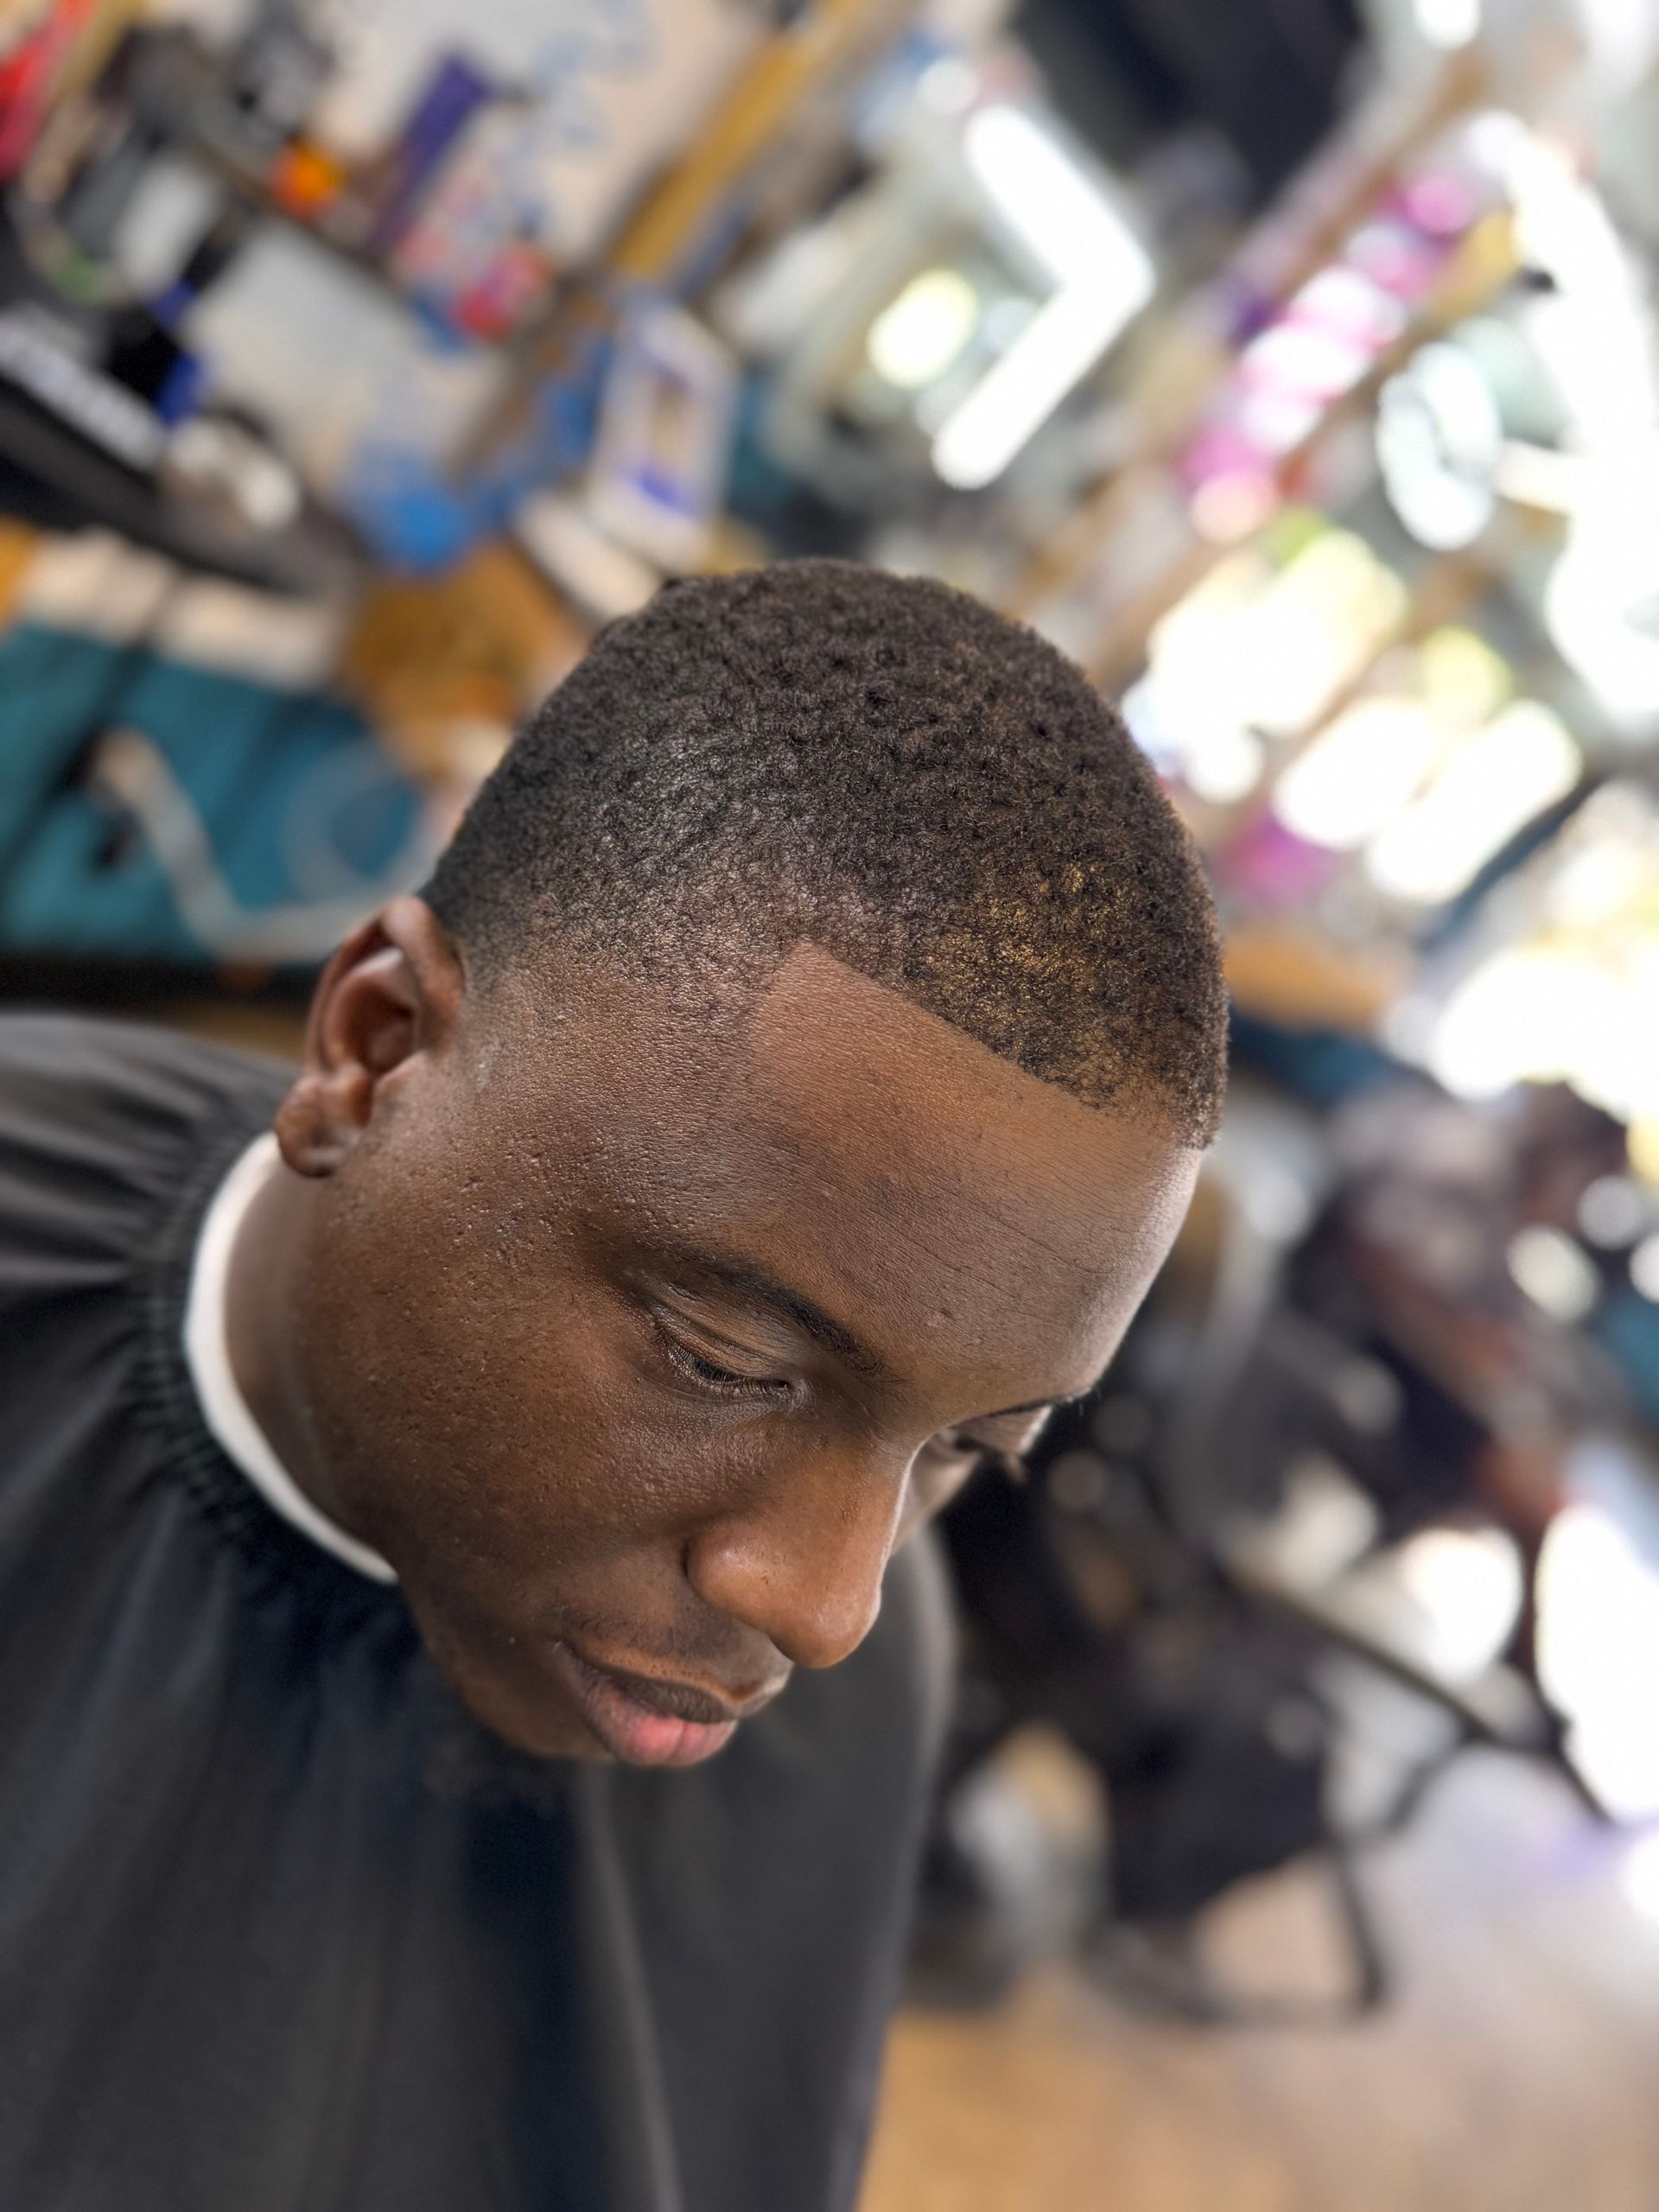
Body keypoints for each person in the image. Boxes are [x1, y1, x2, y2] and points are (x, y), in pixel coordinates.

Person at [0, 562, 1225, 2212]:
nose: (826, 1606)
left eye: (963, 1450)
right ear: (373, 1052)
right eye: (726, 1362)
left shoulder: (872, 1674)